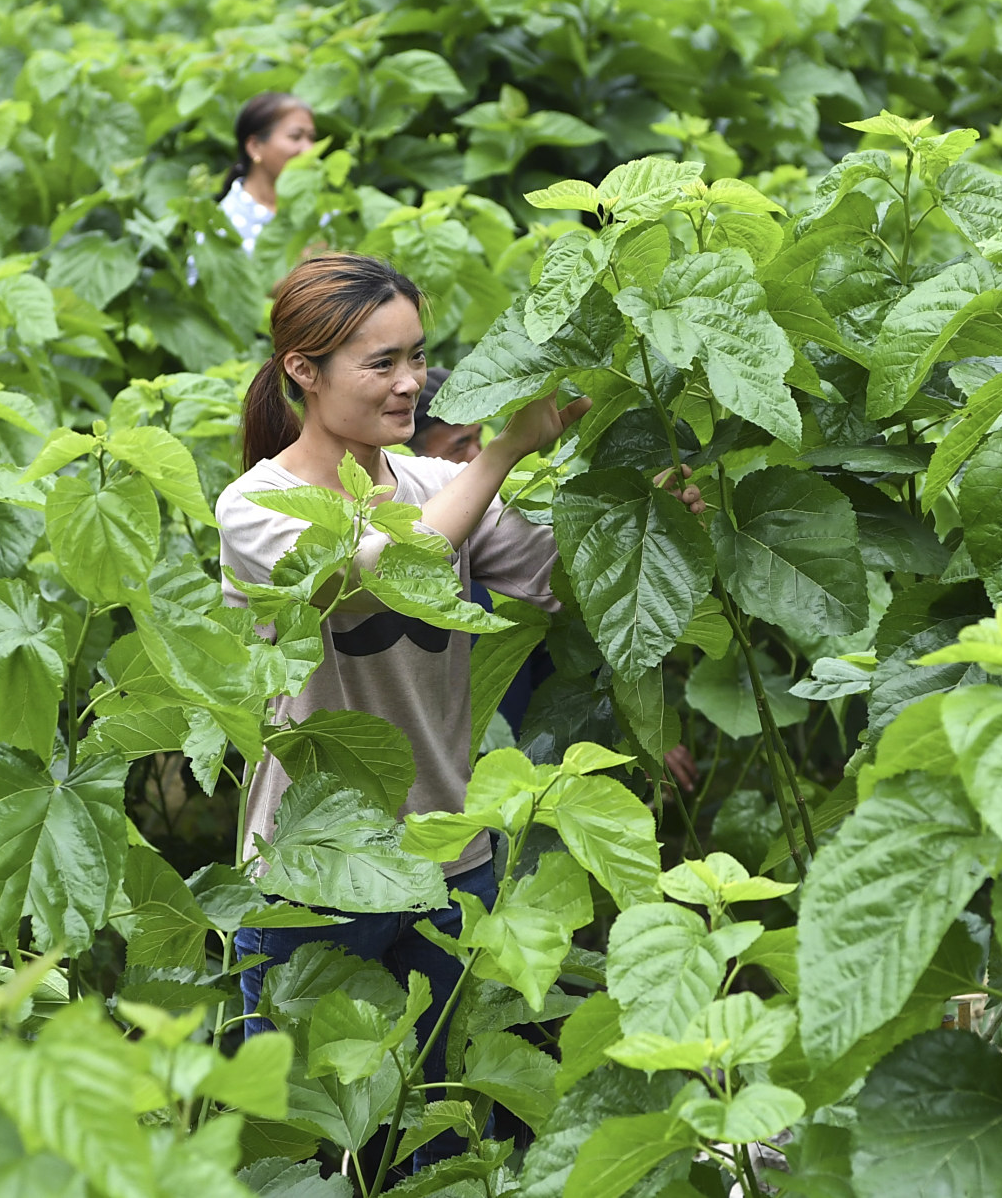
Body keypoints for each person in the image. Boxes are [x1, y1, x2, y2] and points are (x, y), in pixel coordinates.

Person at [216, 253, 703, 1167]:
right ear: (303, 370)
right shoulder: (256, 506)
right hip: (312, 872)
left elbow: (573, 579)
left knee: (435, 1139)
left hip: (448, 860)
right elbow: (384, 572)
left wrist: (653, 520)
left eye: (417, 357)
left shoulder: (437, 485)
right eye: (382, 363)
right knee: (305, 1147)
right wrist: (506, 451)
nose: (410, 382)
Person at [408, 368, 698, 792]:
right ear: (412, 461)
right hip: (433, 781)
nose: (474, 456)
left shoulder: (495, 533)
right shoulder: (394, 544)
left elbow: (566, 657)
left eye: (477, 439)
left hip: (521, 783)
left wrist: (646, 520)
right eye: (456, 447)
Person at [218, 92, 318, 253]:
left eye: (311, 138)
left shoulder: (320, 210)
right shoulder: (223, 225)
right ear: (255, 146)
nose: (309, 150)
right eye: (295, 137)